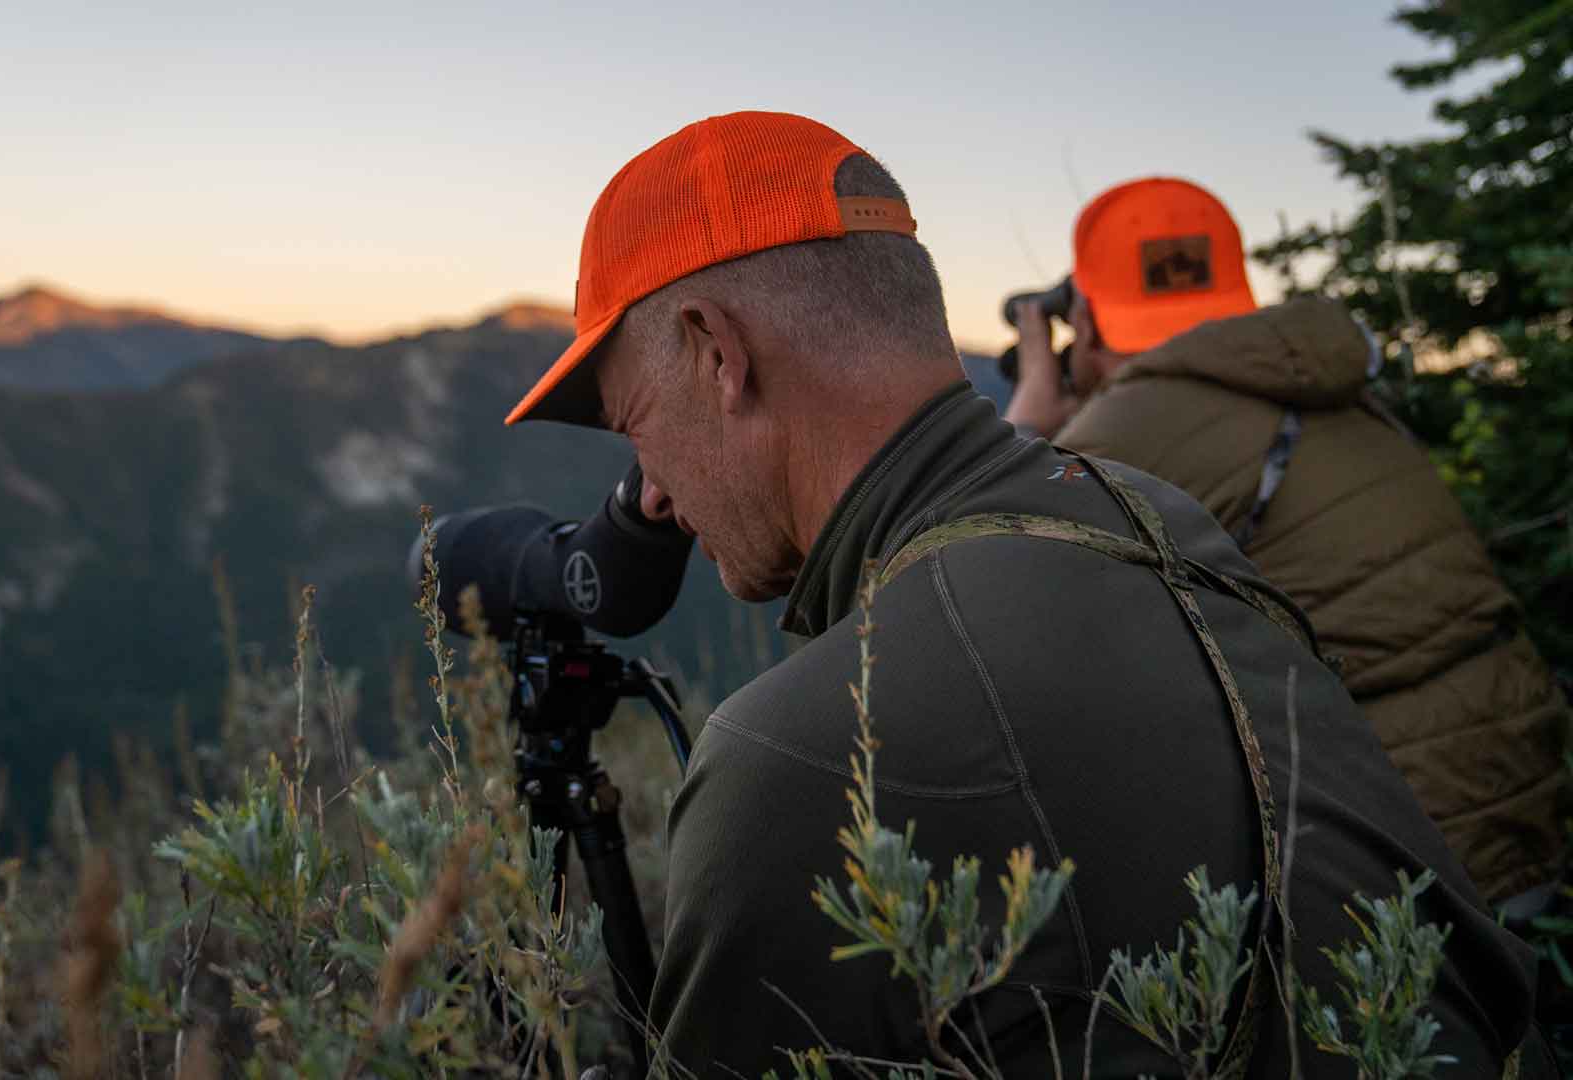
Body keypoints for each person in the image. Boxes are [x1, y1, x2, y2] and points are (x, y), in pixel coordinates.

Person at [503, 111, 1550, 1077]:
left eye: (635, 421)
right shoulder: (1159, 515)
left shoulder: (806, 758)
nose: (655, 493)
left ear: (718, 353)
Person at [1004, 177, 1569, 912]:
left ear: (1081, 315)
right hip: (1523, 793)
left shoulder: (1127, 430)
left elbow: (972, 577)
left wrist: (1026, 427)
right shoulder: (1310, 380)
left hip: (1413, 859)